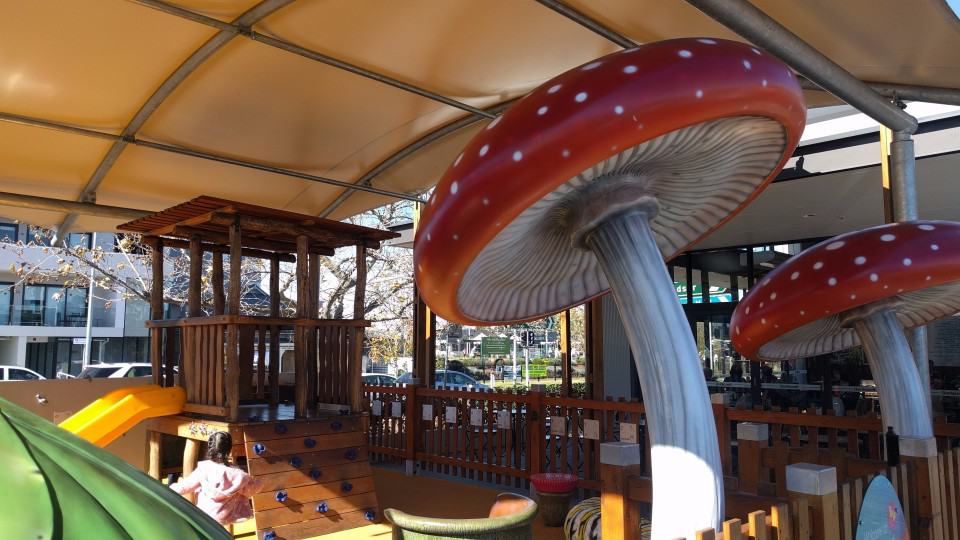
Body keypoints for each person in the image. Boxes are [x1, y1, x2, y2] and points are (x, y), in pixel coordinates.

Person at [171, 432, 260, 525]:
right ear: (229, 450)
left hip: (206, 513)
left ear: (209, 449)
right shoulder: (237, 475)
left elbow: (186, 486)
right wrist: (257, 480)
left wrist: (167, 490)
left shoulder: (204, 469)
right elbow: (252, 489)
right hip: (227, 515)